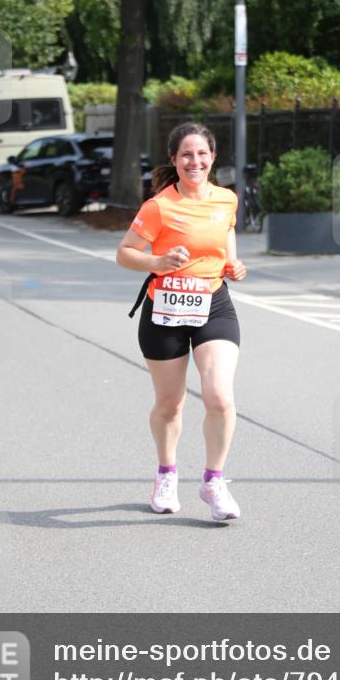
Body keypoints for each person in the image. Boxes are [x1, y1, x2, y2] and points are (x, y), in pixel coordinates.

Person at [117, 123, 246, 522]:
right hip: (165, 311)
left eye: (202, 154)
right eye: (186, 155)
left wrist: (233, 263)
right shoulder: (159, 206)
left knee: (219, 397)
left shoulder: (227, 200)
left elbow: (225, 237)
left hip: (212, 305)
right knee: (170, 404)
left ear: (213, 158)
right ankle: (166, 474)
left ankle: (213, 481)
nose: (195, 161)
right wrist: (156, 262)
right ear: (174, 160)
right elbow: (124, 253)